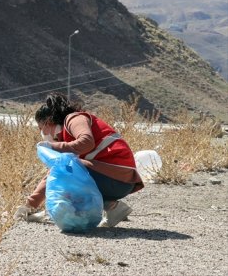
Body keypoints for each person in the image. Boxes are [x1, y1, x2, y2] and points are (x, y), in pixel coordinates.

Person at [17, 92, 143, 227]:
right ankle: (113, 207)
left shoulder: (74, 119)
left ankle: (108, 207)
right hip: (119, 180)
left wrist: (52, 146)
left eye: (41, 128)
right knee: (65, 172)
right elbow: (52, 174)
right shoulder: (68, 137)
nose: (42, 133)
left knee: (65, 174)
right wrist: (29, 205)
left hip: (115, 178)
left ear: (48, 122)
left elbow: (86, 142)